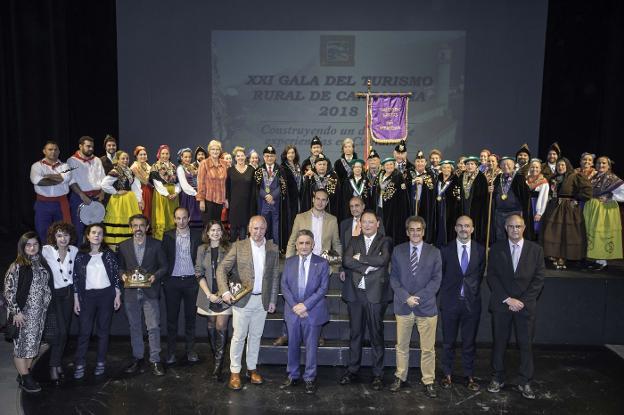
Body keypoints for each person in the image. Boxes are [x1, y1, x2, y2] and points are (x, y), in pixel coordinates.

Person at [217, 216, 280, 390]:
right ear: (249, 228)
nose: (258, 232)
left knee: (256, 337)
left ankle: (251, 369)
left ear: (265, 229)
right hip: (242, 300)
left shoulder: (273, 248)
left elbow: (275, 276)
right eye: (255, 228)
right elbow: (222, 268)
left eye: (261, 228)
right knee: (238, 337)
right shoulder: (239, 246)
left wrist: (273, 299)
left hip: (263, 301)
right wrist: (225, 291)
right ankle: (235, 372)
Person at [486, 215, 545, 400]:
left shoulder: (536, 250)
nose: (515, 230)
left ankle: (525, 381)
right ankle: (497, 378)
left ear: (524, 227)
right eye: (511, 226)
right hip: (502, 305)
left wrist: (522, 301)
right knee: (499, 344)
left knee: (526, 345)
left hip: (525, 307)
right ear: (505, 228)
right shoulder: (496, 249)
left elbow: (538, 279)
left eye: (518, 226)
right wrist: (507, 299)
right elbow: (492, 276)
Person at [275, 188, 341, 347]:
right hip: (299, 263)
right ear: (313, 199)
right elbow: (292, 240)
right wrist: (290, 264)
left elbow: (336, 244)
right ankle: (286, 333)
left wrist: (336, 265)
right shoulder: (300, 217)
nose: (320, 202)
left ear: (327, 202)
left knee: (318, 300)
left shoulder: (332, 220)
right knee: (294, 299)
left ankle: (317, 334)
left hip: (320, 267)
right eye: (318, 198)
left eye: (324, 199)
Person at [339, 211, 393, 391]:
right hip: (355, 294)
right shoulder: (354, 241)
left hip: (376, 295)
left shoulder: (385, 241)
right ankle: (352, 370)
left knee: (376, 335)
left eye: (371, 222)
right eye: (365, 222)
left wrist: (360, 258)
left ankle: (378, 374)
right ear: (360, 224)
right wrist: (369, 267)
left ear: (378, 223)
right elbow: (346, 261)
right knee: (355, 334)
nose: (368, 225)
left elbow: (383, 260)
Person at [388, 216, 441, 398]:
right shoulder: (398, 251)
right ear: (407, 232)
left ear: (423, 232)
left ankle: (428, 380)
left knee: (427, 348)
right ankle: (400, 377)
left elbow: (436, 280)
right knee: (401, 346)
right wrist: (406, 297)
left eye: (419, 230)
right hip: (403, 306)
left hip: (426, 307)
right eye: (412, 230)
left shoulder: (434, 252)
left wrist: (418, 298)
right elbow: (393, 278)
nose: (415, 233)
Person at [280, 230, 330, 394]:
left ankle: (309, 378)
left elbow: (323, 289)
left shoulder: (322, 263)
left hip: (312, 312)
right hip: (293, 311)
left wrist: (305, 306)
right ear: (296, 245)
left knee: (311, 347)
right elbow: (284, 286)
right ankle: (293, 375)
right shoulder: (289, 262)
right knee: (292, 345)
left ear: (313, 245)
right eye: (301, 243)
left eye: (307, 243)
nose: (304, 246)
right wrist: (296, 306)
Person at [439, 216, 486, 390]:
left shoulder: (480, 251)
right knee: (448, 342)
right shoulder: (445, 250)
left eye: (467, 226)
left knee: (469, 342)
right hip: (450, 303)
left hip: (471, 304)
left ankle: (469, 376)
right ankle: (447, 374)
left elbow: (478, 276)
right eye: (460, 225)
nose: (463, 229)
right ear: (455, 228)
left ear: (472, 229)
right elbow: (442, 276)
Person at [118, 214, 168, 376]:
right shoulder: (123, 246)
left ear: (147, 228)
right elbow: (120, 268)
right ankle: (138, 358)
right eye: (135, 225)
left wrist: (155, 276)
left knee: (153, 327)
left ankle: (155, 360)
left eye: (141, 225)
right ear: (130, 228)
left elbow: (164, 266)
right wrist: (123, 276)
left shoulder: (156, 245)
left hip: (150, 292)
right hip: (131, 293)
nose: (138, 228)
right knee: (135, 327)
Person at [4, 232, 53, 393]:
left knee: (33, 347)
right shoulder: (17, 265)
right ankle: (26, 378)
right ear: (23, 247)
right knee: (21, 348)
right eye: (28, 245)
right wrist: (16, 312)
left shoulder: (41, 263)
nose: (32, 247)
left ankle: (24, 373)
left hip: (38, 316)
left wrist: (46, 303)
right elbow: (8, 292)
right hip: (22, 316)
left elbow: (45, 286)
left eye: (35, 244)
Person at [73, 223, 121, 379]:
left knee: (103, 332)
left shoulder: (108, 254)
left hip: (106, 296)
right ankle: (80, 363)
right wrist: (76, 299)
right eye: (93, 232)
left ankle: (101, 362)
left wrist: (117, 295)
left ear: (103, 236)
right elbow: (75, 279)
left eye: (100, 233)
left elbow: (115, 276)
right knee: (84, 332)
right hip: (87, 297)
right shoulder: (80, 255)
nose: (96, 235)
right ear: (88, 235)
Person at [162, 207, 203, 364]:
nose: (181, 221)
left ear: (189, 218)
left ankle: (190, 351)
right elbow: (163, 259)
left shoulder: (197, 236)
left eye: (184, 218)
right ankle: (171, 352)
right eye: (178, 218)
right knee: (171, 320)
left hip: (191, 282)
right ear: (174, 219)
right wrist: (164, 280)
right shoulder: (167, 236)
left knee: (190, 319)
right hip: (172, 282)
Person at [195, 221, 232, 380]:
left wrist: (224, 292)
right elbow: (198, 272)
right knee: (210, 324)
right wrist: (209, 294)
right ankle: (216, 354)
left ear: (222, 232)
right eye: (212, 230)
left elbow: (234, 271)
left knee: (220, 325)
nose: (216, 233)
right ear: (207, 233)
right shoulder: (202, 249)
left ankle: (218, 365)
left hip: (225, 295)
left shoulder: (229, 248)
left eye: (218, 230)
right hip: (207, 293)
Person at [42, 222, 78, 384]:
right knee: (60, 332)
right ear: (54, 237)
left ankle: (56, 364)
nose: (63, 239)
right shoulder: (46, 251)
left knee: (65, 331)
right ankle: (53, 366)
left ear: (70, 236)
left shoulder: (75, 251)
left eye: (66, 235)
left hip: (69, 294)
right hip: (53, 295)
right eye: (59, 235)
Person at [540, 157, 592, 269]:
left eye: (563, 165)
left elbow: (587, 191)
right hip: (554, 207)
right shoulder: (553, 178)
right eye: (558, 165)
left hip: (569, 209)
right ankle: (554, 255)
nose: (560, 167)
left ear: (567, 166)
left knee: (567, 234)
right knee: (554, 233)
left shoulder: (574, 176)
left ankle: (563, 258)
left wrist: (576, 199)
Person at [584, 156, 624, 271]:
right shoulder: (594, 177)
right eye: (598, 163)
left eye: (603, 163)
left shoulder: (613, 178)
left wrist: (611, 197)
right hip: (593, 208)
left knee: (601, 234)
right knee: (593, 235)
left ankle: (603, 262)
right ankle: (597, 260)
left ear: (608, 165)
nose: (600, 165)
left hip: (605, 210)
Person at [30, 140, 72, 242]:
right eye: (50, 149)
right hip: (43, 204)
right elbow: (38, 181)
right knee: (42, 230)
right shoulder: (36, 166)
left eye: (55, 149)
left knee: (63, 231)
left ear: (59, 151)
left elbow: (65, 178)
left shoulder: (65, 166)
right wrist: (59, 178)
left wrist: (47, 176)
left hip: (60, 203)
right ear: (44, 151)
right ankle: (46, 253)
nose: (53, 152)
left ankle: (61, 254)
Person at [101, 150, 143, 248]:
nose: (125, 160)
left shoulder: (130, 171)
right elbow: (104, 184)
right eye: (123, 158)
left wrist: (139, 200)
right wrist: (116, 192)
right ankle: (117, 246)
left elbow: (136, 187)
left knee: (130, 220)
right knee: (118, 221)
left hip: (130, 200)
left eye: (127, 158)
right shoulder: (115, 171)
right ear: (118, 160)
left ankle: (129, 245)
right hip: (119, 201)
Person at [67, 136, 106, 238]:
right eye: (88, 146)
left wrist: (102, 192)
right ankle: (79, 252)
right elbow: (71, 181)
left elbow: (103, 178)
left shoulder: (97, 160)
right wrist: (81, 195)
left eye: (92, 147)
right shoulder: (72, 161)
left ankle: (95, 252)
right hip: (79, 198)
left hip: (97, 197)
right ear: (80, 146)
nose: (91, 149)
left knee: (97, 229)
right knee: (78, 229)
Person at [490, 157, 533, 244]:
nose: (506, 166)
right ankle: (501, 255)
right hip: (499, 213)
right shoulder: (498, 177)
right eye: (503, 164)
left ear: (513, 166)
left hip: (514, 213)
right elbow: (494, 194)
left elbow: (525, 196)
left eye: (509, 164)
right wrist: (490, 190)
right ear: (500, 166)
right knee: (500, 236)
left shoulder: (519, 178)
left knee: (514, 236)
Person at [375, 157, 410, 244]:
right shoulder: (380, 175)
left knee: (389, 230)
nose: (389, 166)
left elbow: (403, 195)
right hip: (380, 207)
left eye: (391, 164)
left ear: (394, 165)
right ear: (383, 166)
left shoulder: (398, 176)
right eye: (387, 164)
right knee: (380, 228)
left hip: (393, 210)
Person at [254, 145, 283, 246]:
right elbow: (257, 187)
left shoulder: (280, 169)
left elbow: (283, 185)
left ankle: (275, 249)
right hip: (263, 203)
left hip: (276, 203)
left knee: (276, 227)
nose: (269, 158)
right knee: (262, 226)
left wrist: (272, 196)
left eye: (271, 156)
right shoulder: (258, 170)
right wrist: (266, 196)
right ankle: (262, 247)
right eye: (267, 156)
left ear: (275, 157)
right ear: (263, 157)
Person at [150, 145, 180, 240]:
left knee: (172, 215)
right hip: (162, 194)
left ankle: (172, 237)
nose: (165, 155)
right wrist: (167, 194)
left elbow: (178, 182)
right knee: (162, 216)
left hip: (173, 195)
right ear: (159, 154)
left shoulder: (173, 166)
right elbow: (157, 183)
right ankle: (160, 238)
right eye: (163, 153)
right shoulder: (155, 166)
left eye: (167, 153)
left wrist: (176, 192)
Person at [227, 146, 257, 241]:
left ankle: (243, 255)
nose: (240, 158)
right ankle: (232, 254)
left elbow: (254, 189)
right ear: (235, 158)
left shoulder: (251, 170)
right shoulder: (230, 170)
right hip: (234, 206)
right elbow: (227, 187)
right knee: (232, 235)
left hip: (246, 207)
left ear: (245, 157)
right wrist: (226, 199)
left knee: (243, 235)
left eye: (242, 155)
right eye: (238, 156)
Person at [431, 160, 462, 247]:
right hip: (438, 208)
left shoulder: (456, 180)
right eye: (444, 167)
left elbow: (457, 197)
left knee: (448, 229)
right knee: (438, 226)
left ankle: (448, 245)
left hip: (449, 210)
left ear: (451, 169)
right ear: (441, 169)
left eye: (448, 167)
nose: (446, 169)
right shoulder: (438, 179)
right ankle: (438, 243)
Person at [459, 156, 489, 244]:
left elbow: (484, 196)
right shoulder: (461, 176)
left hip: (476, 209)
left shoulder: (481, 177)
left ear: (476, 165)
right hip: (463, 206)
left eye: (472, 164)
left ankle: (475, 242)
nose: (470, 166)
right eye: (467, 164)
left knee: (475, 226)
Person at [197, 139, 228, 224]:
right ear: (209, 151)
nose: (215, 151)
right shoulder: (204, 163)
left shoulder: (224, 164)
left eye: (217, 149)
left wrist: (226, 199)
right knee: (208, 227)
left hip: (220, 201)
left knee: (217, 226)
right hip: (208, 201)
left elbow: (226, 183)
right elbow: (200, 183)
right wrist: (201, 200)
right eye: (213, 149)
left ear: (220, 151)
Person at [280, 145, 303, 250]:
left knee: (298, 223)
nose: (291, 155)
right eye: (289, 153)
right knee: (289, 223)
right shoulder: (282, 167)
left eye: (292, 153)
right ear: (285, 155)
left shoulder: (298, 166)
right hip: (288, 200)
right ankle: (288, 247)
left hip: (298, 199)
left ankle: (298, 245)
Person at [176, 148, 203, 229]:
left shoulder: (191, 167)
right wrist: (196, 193)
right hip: (187, 196)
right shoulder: (180, 168)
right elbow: (184, 186)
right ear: (181, 157)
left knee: (198, 218)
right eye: (185, 157)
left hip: (195, 194)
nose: (188, 159)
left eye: (189, 157)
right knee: (189, 216)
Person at [526, 159, 550, 237]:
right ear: (529, 168)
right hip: (526, 208)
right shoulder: (525, 179)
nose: (534, 169)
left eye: (537, 167)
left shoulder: (543, 182)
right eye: (532, 167)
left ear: (540, 169)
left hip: (535, 208)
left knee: (535, 231)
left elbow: (544, 199)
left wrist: (539, 213)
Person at [409, 150, 435, 219]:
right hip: (412, 202)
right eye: (417, 161)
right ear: (414, 163)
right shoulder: (409, 173)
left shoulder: (430, 174)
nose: (420, 164)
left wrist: (424, 182)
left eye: (422, 161)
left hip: (424, 202)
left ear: (426, 163)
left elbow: (432, 189)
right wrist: (412, 182)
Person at [130, 146, 153, 220]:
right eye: (141, 154)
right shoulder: (134, 167)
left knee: (150, 211)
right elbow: (135, 185)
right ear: (136, 156)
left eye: (144, 154)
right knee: (142, 212)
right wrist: (139, 199)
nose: (143, 156)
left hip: (150, 191)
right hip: (140, 192)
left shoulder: (148, 166)